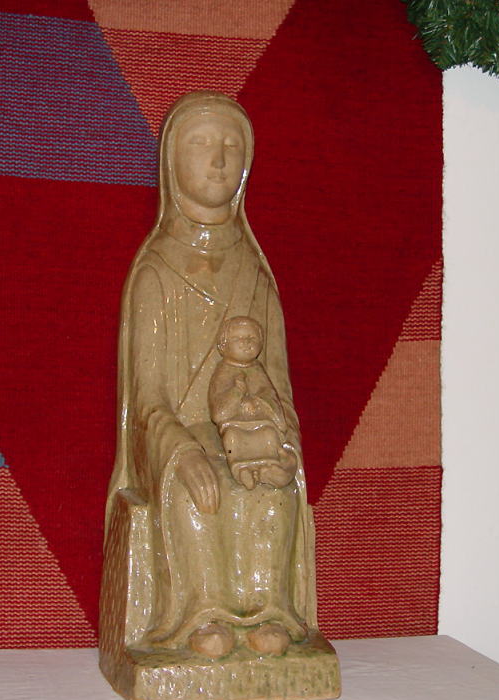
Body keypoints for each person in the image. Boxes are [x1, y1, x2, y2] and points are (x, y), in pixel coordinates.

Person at [105, 92, 315, 660]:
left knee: (271, 485)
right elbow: (147, 400)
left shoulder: (255, 275)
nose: (219, 160)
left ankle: (268, 613)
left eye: (231, 147)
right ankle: (201, 618)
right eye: (201, 144)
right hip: (177, 438)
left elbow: (279, 386)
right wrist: (179, 451)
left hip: (247, 434)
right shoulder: (155, 273)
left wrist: (284, 442)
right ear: (172, 161)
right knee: (199, 489)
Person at [208, 315, 292, 490]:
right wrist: (237, 392)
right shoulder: (222, 371)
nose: (246, 343)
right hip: (235, 425)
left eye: (251, 338)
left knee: (269, 435)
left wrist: (257, 401)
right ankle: (242, 471)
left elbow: (269, 394)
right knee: (232, 438)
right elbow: (218, 412)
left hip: (261, 422)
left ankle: (268, 469)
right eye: (238, 338)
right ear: (223, 345)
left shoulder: (258, 370)